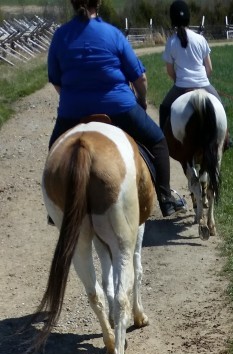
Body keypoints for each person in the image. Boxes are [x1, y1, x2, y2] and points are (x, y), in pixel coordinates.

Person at [47, 0, 186, 217]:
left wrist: (74, 100)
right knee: (158, 141)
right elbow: (140, 78)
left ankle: (56, 205)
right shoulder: (112, 34)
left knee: (54, 150)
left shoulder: (60, 36)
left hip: (72, 113)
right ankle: (165, 198)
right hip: (119, 108)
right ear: (98, 3)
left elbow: (56, 80)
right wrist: (141, 100)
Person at [159, 1, 221, 134]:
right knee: (220, 106)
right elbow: (209, 68)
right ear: (188, 18)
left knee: (164, 108)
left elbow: (170, 71)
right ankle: (227, 137)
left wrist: (178, 81)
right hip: (203, 84)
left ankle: (161, 138)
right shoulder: (200, 39)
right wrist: (201, 80)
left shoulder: (171, 41)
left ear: (173, 20)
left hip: (181, 86)